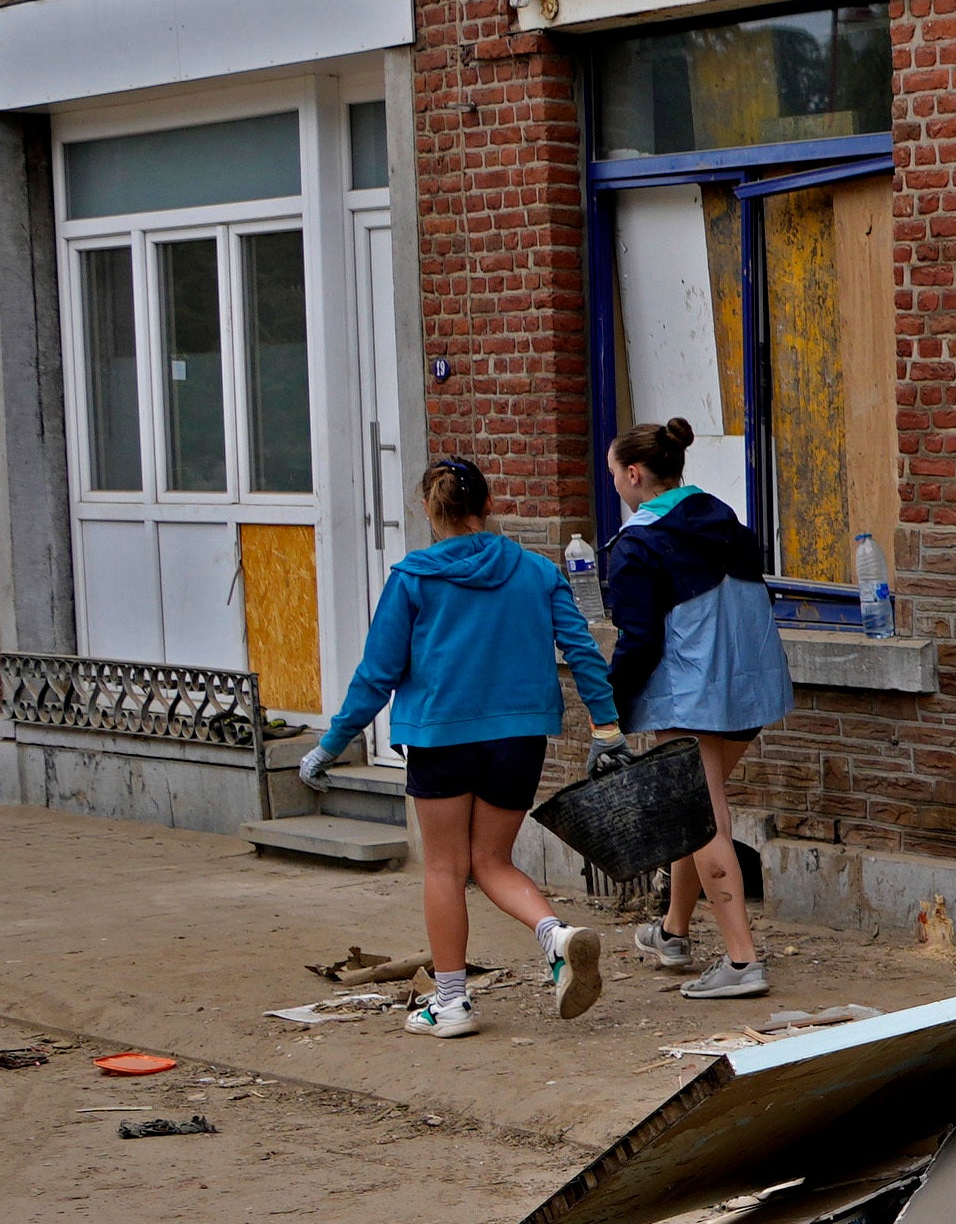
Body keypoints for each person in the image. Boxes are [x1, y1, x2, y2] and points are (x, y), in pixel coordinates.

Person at [307, 456, 619, 1038]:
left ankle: (450, 1003)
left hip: (441, 737)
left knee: (447, 867)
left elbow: (378, 674)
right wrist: (606, 729)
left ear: (428, 510)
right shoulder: (535, 571)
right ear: (488, 505)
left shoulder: (413, 578)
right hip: (518, 738)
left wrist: (331, 745)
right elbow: (581, 651)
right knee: (492, 861)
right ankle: (555, 935)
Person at [596, 416, 796, 1000]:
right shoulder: (727, 521)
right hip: (752, 689)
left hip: (689, 694)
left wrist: (606, 707)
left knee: (705, 819)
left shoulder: (637, 543)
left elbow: (638, 642)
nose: (615, 486)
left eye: (614, 474)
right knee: (695, 809)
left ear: (634, 474)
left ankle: (741, 962)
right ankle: (672, 933)